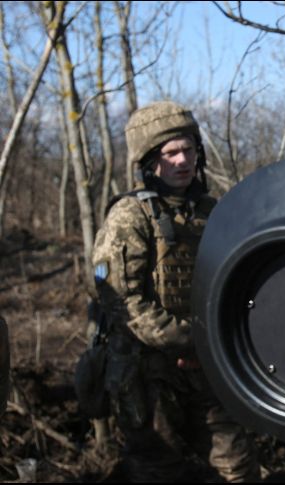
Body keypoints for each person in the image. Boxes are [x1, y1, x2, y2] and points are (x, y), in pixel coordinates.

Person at [91, 101, 260, 482]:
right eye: (170, 153)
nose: (182, 160)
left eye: (188, 149)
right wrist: (189, 342)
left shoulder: (211, 210)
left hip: (207, 364)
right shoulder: (129, 216)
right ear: (151, 161)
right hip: (147, 371)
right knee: (158, 469)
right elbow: (123, 302)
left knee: (237, 466)